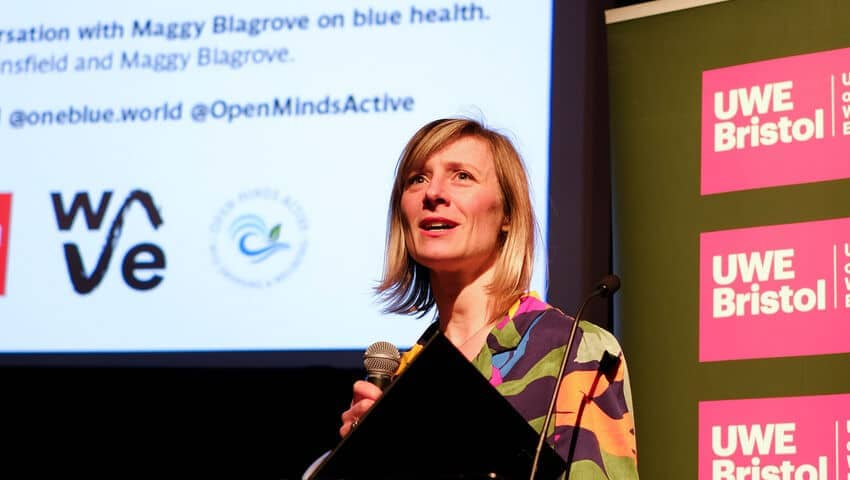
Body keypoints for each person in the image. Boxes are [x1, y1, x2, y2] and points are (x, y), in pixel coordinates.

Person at [339, 118, 639, 479]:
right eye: (417, 178)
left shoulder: (570, 349)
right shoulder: (404, 378)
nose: (433, 193)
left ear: (508, 215)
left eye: (462, 176)